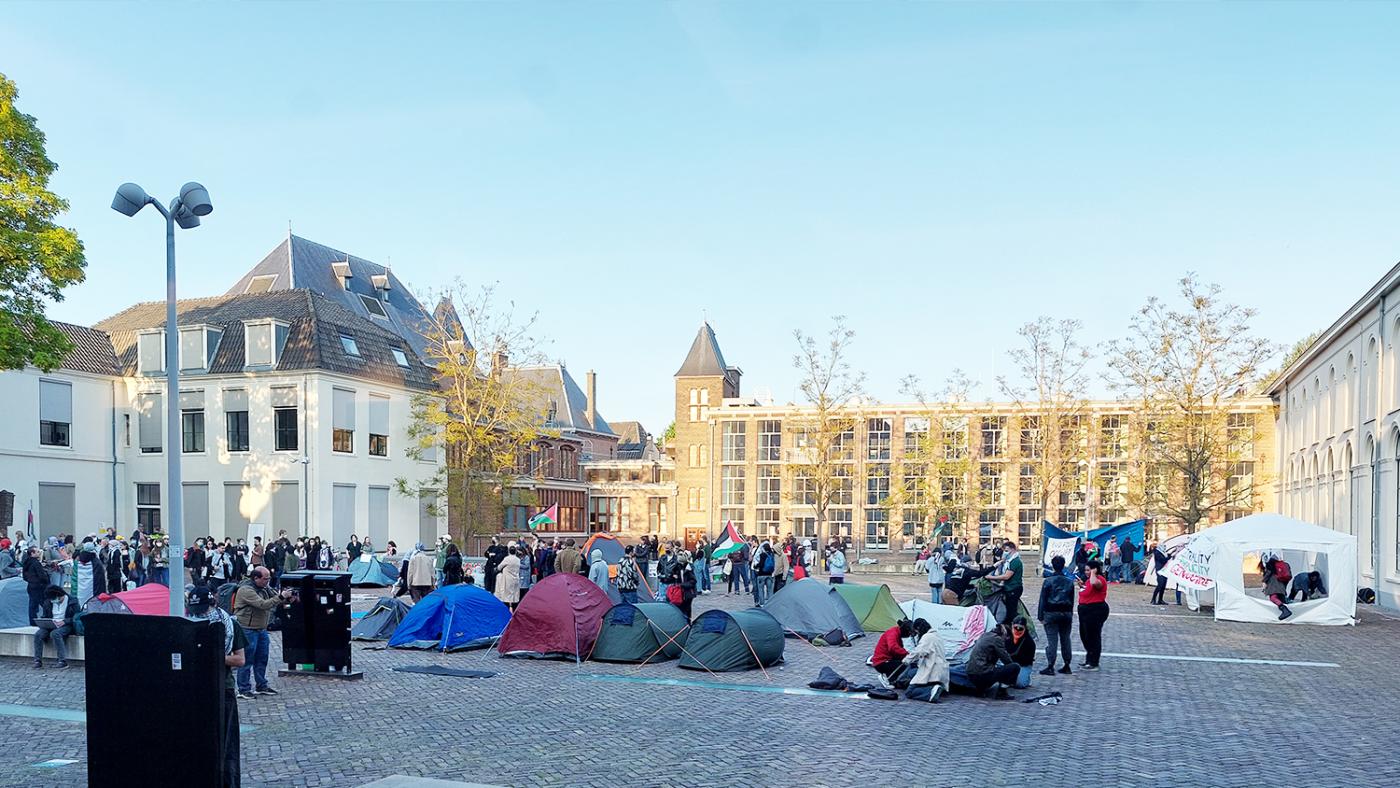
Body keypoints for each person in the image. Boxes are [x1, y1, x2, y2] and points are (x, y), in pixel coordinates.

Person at [186, 585, 246, 788]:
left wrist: (214, 656)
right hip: (194, 686)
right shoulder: (189, 624)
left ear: (212, 603)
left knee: (224, 741)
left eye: (203, 609)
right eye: (196, 611)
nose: (200, 614)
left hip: (223, 687)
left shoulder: (230, 625)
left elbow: (239, 659)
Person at [234, 567, 292, 699]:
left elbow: (275, 598)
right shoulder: (246, 590)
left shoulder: (264, 588)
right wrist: (282, 596)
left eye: (269, 578)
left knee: (262, 658)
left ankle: (261, 685)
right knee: (247, 660)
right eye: (265, 579)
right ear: (256, 578)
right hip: (247, 629)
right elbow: (263, 604)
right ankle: (243, 688)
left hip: (261, 629)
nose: (268, 581)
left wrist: (287, 598)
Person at [1037, 555, 1076, 676]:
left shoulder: (1048, 581)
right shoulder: (1069, 582)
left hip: (1051, 612)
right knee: (1065, 639)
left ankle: (1050, 665)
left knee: (1052, 640)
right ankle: (1067, 664)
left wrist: (1040, 615)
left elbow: (1042, 599)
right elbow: (1072, 599)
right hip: (1066, 612)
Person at [961, 625, 1020, 698]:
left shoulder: (985, 635)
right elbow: (1006, 659)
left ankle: (980, 690)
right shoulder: (997, 639)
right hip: (982, 674)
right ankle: (1002, 692)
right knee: (1015, 667)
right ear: (1005, 635)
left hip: (971, 673)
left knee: (995, 668)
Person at [901, 618, 949, 702]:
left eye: (917, 631)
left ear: (919, 628)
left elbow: (919, 651)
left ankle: (930, 691)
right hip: (941, 670)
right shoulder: (936, 635)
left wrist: (907, 659)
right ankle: (933, 688)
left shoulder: (927, 637)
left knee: (910, 691)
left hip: (932, 670)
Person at [31, 584, 75, 669]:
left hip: (66, 625)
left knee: (55, 634)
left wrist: (65, 621)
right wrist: (43, 621)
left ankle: (62, 660)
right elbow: (45, 615)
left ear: (59, 595)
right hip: (51, 624)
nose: (53, 600)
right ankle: (37, 660)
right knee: (38, 635)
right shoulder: (48, 602)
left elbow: (76, 617)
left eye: (54, 598)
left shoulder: (72, 601)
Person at [1077, 558, 1110, 671]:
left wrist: (1093, 573)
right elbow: (1089, 589)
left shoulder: (1099, 579)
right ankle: (1089, 658)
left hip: (1095, 610)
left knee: (1093, 636)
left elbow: (1095, 584)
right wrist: (1082, 586)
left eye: (1088, 570)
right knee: (1085, 635)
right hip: (1085, 611)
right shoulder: (1088, 581)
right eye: (1085, 570)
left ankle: (1094, 662)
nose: (1086, 572)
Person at [985, 540, 1024, 625]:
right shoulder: (1008, 561)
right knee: (1009, 609)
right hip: (1009, 588)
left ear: (1013, 549)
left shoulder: (1015, 561)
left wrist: (992, 577)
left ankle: (1013, 627)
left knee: (1011, 611)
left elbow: (1006, 576)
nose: (1005, 553)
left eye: (1006, 551)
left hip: (1013, 588)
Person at [872, 619, 913, 688]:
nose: (909, 635)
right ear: (905, 630)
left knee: (902, 663)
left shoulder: (896, 633)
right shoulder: (893, 633)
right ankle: (888, 679)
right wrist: (907, 654)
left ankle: (893, 680)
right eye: (909, 633)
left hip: (885, 660)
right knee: (903, 665)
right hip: (882, 662)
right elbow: (893, 647)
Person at [1006, 616, 1036, 688]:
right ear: (1012, 625)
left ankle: (1025, 679)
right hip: (1008, 663)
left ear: (1025, 628)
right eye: (1016, 627)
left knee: (1020, 684)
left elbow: (1028, 660)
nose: (1018, 630)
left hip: (1023, 665)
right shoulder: (1007, 636)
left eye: (1021, 628)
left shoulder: (1029, 642)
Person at [22, 547, 50, 623]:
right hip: (39, 586)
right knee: (44, 603)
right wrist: (46, 582)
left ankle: (32, 621)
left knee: (32, 604)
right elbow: (41, 575)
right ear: (32, 553)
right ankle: (47, 617)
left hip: (31, 585)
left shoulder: (26, 563)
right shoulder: (36, 563)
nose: (39, 553)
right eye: (37, 552)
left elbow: (24, 576)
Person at [1261, 554, 1293, 620]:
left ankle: (1285, 610)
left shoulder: (1270, 565)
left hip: (1273, 584)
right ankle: (1285, 613)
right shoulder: (1283, 565)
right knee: (1281, 599)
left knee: (1273, 598)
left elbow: (1268, 574)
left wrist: (1264, 582)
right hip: (1281, 585)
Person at [495, 546, 522, 610]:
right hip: (515, 579)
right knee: (515, 596)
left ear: (509, 551)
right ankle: (515, 610)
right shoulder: (518, 559)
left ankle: (506, 610)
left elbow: (499, 567)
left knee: (506, 596)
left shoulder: (507, 559)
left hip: (507, 580)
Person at [673, 553, 698, 621]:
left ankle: (688, 622)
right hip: (680, 592)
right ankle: (683, 622)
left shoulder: (689, 569)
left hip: (688, 592)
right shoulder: (677, 567)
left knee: (687, 608)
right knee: (680, 608)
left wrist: (682, 585)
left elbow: (693, 581)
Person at [753, 542, 776, 606]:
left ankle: (762, 603)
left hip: (761, 574)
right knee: (769, 590)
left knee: (761, 590)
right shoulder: (772, 554)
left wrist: (755, 566)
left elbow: (761, 564)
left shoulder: (762, 555)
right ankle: (770, 603)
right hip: (769, 574)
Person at [1149, 541, 1172, 605]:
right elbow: (1162, 560)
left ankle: (1160, 600)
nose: (1165, 547)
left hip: (1164, 570)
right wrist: (1168, 557)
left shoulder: (1163, 552)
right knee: (1160, 585)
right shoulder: (1157, 552)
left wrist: (1168, 556)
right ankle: (1153, 599)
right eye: (1163, 546)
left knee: (1163, 586)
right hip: (1159, 570)